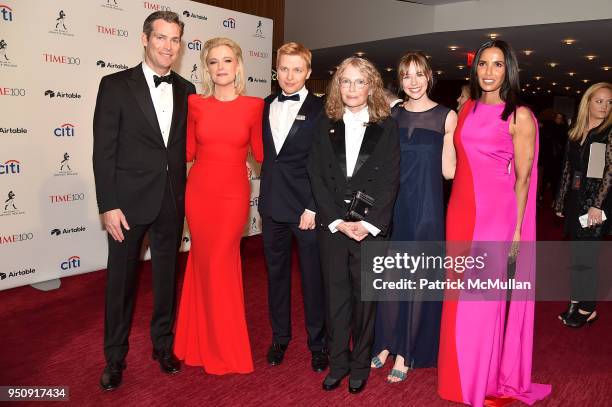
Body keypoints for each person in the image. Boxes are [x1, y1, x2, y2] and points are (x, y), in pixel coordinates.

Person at [437, 40, 551, 406]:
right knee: (457, 294)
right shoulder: (467, 107)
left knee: (480, 300)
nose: (488, 71)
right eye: (483, 64)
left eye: (497, 65)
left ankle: (479, 381)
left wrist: (516, 230)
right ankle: (456, 377)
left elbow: (523, 179)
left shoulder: (520, 116)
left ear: (509, 70)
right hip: (459, 209)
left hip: (495, 214)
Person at [93, 11, 196, 391]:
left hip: (171, 202)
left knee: (167, 280)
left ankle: (163, 346)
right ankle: (114, 357)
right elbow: (103, 151)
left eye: (174, 40)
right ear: (144, 39)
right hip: (127, 205)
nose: (168, 46)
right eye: (161, 38)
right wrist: (108, 203)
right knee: (120, 284)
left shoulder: (187, 90)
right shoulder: (116, 85)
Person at [308, 57, 400, 394]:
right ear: (337, 85)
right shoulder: (324, 123)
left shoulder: (387, 126)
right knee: (336, 300)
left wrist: (367, 223)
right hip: (334, 228)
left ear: (371, 86)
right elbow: (316, 175)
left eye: (359, 82)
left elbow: (390, 179)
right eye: (345, 81)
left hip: (369, 229)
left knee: (365, 301)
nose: (351, 88)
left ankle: (360, 365)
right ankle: (338, 363)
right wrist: (336, 221)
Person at [173, 37, 264, 375]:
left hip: (232, 196)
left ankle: (224, 347)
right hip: (199, 193)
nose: (221, 67)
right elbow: (185, 153)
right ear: (206, 68)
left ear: (238, 65)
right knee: (201, 262)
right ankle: (195, 342)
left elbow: (262, 153)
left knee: (221, 264)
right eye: (214, 62)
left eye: (227, 60)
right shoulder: (195, 104)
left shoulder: (254, 106)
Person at [371, 51, 457, 383]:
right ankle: (384, 343)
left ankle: (406, 351)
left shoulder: (447, 116)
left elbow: (449, 171)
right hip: (393, 209)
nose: (414, 81)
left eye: (419, 74)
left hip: (425, 210)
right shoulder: (392, 115)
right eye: (407, 76)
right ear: (401, 80)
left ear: (430, 76)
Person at [259, 42, 328, 372]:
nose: (289, 75)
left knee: (313, 280)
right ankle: (280, 338)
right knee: (276, 277)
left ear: (308, 73)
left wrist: (313, 208)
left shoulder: (322, 109)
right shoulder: (265, 104)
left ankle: (318, 344)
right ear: (276, 70)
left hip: (306, 211)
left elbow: (326, 164)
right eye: (284, 68)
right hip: (272, 207)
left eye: (297, 69)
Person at [554, 82, 612, 328]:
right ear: (588, 101)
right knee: (578, 253)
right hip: (578, 200)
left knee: (587, 254)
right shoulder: (577, 132)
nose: (605, 107)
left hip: (596, 204)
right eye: (599, 101)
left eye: (609, 102)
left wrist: (596, 206)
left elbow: (607, 172)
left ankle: (588, 307)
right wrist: (560, 199)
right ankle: (576, 300)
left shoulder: (607, 132)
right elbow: (569, 168)